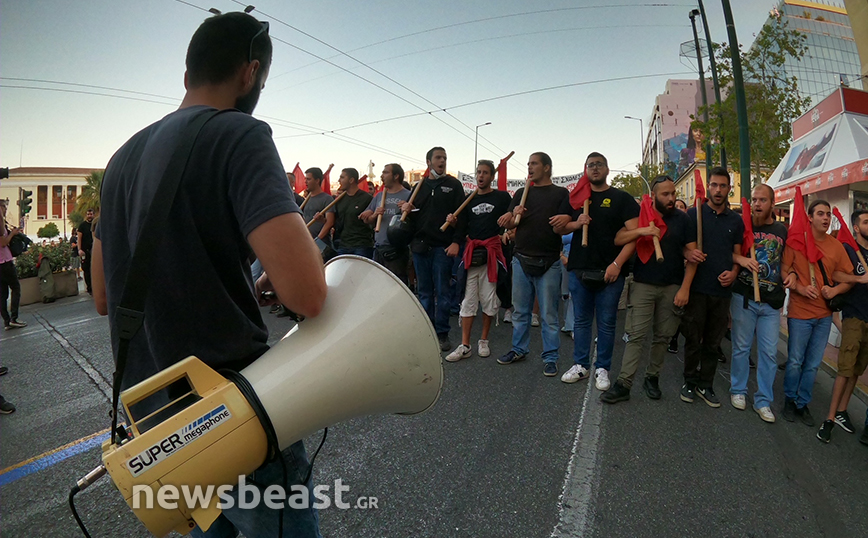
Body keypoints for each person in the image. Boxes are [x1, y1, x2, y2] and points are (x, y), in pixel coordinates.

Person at [90, 12, 327, 538]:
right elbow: (308, 295)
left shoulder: (122, 158)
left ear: (186, 75)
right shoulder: (239, 134)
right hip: (231, 413)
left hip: (158, 421)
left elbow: (104, 295)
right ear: (251, 73)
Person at [600, 175, 696, 403]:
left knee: (663, 337)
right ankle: (624, 383)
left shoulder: (683, 219)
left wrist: (685, 288)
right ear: (653, 195)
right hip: (643, 284)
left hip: (672, 286)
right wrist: (642, 231)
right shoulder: (641, 215)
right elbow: (619, 238)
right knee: (636, 335)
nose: (671, 198)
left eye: (673, 193)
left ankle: (652, 378)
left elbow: (691, 255)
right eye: (665, 194)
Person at [552, 152, 640, 390]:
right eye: (590, 165)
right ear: (585, 170)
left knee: (607, 322)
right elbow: (560, 229)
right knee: (581, 321)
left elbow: (634, 236)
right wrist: (577, 223)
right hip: (579, 269)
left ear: (607, 169)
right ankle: (580, 365)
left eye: (599, 164)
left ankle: (602, 368)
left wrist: (617, 264)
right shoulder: (577, 198)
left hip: (610, 272)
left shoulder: (622, 198)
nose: (595, 168)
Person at [497, 152, 570, 376]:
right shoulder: (521, 193)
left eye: (534, 163)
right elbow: (509, 223)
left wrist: (567, 219)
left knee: (549, 315)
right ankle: (519, 349)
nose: (530, 167)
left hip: (549, 261)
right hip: (521, 258)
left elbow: (565, 223)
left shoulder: (560, 193)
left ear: (546, 167)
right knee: (520, 311)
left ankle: (551, 357)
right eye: (528, 164)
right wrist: (513, 215)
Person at [782, 200, 853, 427]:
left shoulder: (836, 246)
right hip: (799, 313)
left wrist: (835, 290)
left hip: (824, 316)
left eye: (828, 214)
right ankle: (789, 399)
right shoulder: (797, 242)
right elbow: (784, 270)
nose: (825, 218)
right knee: (795, 361)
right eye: (820, 214)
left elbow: (847, 277)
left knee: (813, 364)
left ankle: (802, 403)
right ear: (810, 218)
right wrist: (800, 288)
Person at [681, 167, 743, 408]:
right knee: (693, 338)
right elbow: (682, 247)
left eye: (723, 186)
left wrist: (734, 273)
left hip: (721, 291)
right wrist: (688, 253)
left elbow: (737, 254)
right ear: (708, 187)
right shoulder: (692, 214)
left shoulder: (736, 220)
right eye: (714, 185)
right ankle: (689, 380)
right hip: (697, 287)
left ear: (729, 189)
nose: (718, 190)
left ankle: (706, 384)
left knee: (713, 342)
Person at [728, 185, 789, 422]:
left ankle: (763, 401)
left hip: (771, 303)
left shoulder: (781, 230)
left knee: (769, 353)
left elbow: (786, 261)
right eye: (754, 199)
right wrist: (742, 260)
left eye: (763, 200)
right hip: (744, 297)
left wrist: (791, 275)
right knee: (741, 348)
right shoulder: (742, 225)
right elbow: (727, 252)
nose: (757, 204)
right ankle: (738, 390)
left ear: (772, 203)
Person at [443, 159, 511, 362]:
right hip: (472, 255)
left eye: (485, 172)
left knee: (489, 299)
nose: (481, 176)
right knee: (468, 300)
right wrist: (453, 224)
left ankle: (484, 340)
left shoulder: (502, 197)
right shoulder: (468, 200)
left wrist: (509, 223)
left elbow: (511, 218)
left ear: (492, 176)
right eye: (478, 172)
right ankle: (465, 345)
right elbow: (462, 228)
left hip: (492, 254)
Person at [399, 147, 464, 351]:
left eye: (444, 158)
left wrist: (456, 241)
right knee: (424, 293)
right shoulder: (419, 186)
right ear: (429, 162)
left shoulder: (453, 185)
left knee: (443, 292)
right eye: (438, 157)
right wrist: (407, 210)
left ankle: (442, 333)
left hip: (442, 247)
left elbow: (462, 218)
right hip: (420, 247)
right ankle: (427, 332)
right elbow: (412, 218)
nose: (442, 161)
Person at [817, 209, 868, 442]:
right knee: (845, 369)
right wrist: (858, 278)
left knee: (857, 369)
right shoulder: (848, 249)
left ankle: (842, 411)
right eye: (866, 222)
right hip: (854, 315)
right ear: (856, 228)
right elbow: (836, 274)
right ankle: (829, 418)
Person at [359, 163, 411, 282]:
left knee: (395, 284)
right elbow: (368, 220)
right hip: (379, 247)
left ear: (396, 176)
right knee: (377, 283)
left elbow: (416, 220)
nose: (382, 176)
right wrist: (374, 215)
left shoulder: (408, 196)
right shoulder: (380, 196)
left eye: (386, 172)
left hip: (397, 250)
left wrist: (408, 209)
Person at [324, 168, 373, 258]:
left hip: (361, 245)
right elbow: (335, 222)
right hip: (343, 245)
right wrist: (322, 220)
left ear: (351, 180)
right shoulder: (339, 200)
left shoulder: (366, 198)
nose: (339, 180)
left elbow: (373, 221)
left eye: (342, 177)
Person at [0, 199, 26, 330]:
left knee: (2, 294)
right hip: (5, 262)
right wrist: (13, 234)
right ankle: (13, 318)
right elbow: (3, 243)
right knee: (15, 288)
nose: (5, 209)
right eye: (4, 207)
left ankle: (7, 321)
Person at [303, 167, 336, 253]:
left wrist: (317, 239)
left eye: (308, 179)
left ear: (317, 180)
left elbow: (330, 222)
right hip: (307, 242)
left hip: (321, 244)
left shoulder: (327, 199)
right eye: (305, 179)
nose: (305, 182)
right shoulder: (307, 199)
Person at [77, 208, 95, 295]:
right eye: (88, 214)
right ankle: (89, 288)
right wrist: (79, 249)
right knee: (86, 269)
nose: (89, 216)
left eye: (91, 214)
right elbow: (79, 238)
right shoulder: (82, 226)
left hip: (94, 250)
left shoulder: (96, 224)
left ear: (93, 215)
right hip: (85, 251)